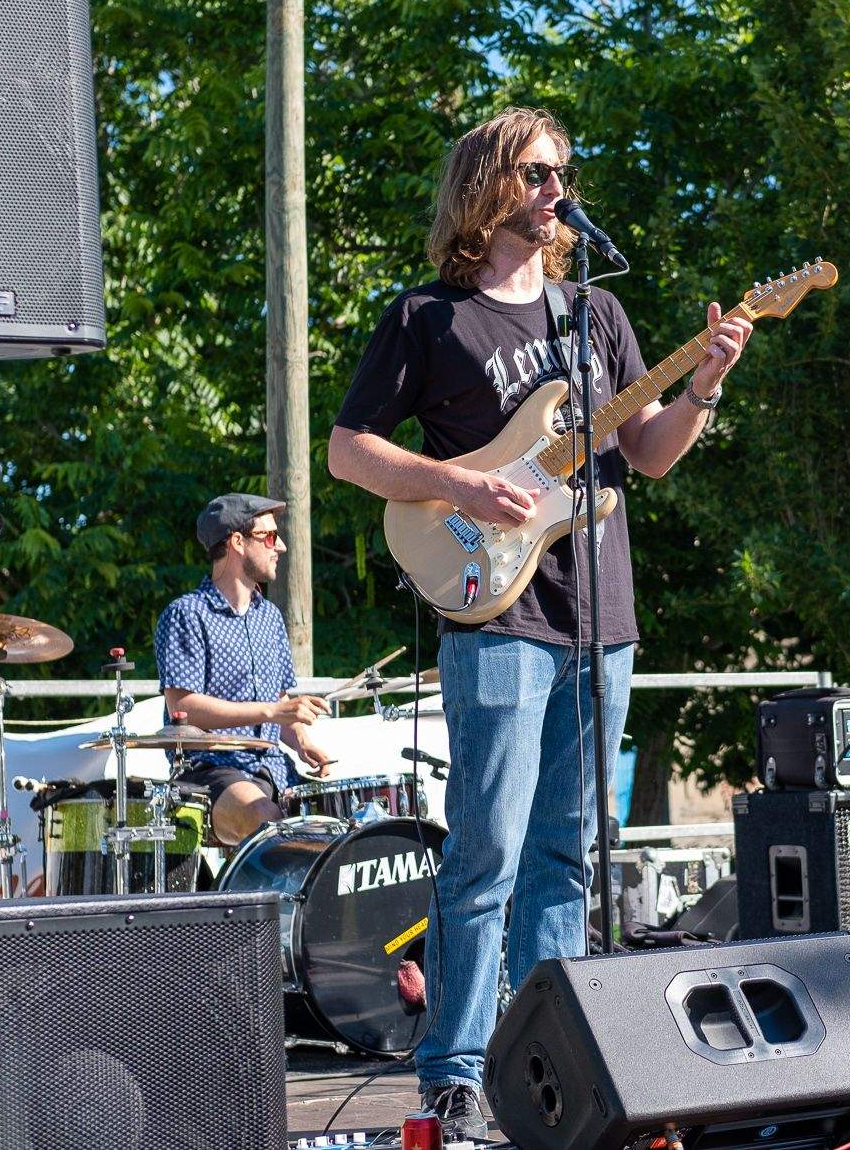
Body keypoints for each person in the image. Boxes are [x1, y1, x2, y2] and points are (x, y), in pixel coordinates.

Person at [328, 107, 753, 1138]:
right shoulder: (429, 318)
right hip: (494, 613)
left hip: (600, 616)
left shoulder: (591, 314)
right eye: (535, 171)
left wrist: (702, 385)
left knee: (566, 856)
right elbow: (348, 450)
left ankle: (548, 1059)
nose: (556, 188)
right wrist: (461, 487)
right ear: (486, 186)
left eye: (562, 170)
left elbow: (647, 455)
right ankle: (454, 1070)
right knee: (486, 854)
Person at [155, 492, 335, 849]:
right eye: (269, 536)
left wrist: (301, 740)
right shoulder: (186, 614)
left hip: (272, 766)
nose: (280, 546)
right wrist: (272, 711)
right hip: (208, 770)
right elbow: (183, 707)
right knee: (264, 819)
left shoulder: (270, 617)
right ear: (237, 542)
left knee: (335, 827)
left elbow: (280, 702)